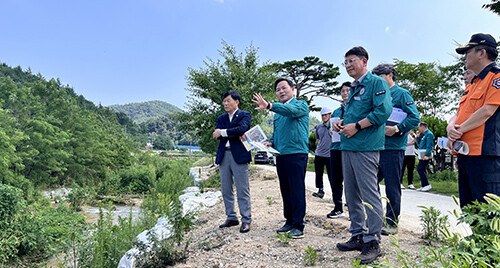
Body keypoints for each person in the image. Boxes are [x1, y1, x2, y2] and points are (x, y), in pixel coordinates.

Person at [332, 47, 392, 264]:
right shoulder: (354, 87)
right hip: (348, 146)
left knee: (369, 194)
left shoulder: (376, 82)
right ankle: (357, 234)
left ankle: (373, 241)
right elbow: (353, 114)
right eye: (345, 62)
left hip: (366, 146)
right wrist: (342, 123)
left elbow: (383, 111)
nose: (348, 65)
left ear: (364, 61)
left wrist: (356, 126)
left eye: (351, 61)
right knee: (351, 193)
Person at [447, 33, 500, 208]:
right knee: (469, 210)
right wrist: (450, 126)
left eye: (468, 52)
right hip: (465, 155)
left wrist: (459, 129)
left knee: (488, 212)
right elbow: (460, 112)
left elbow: (487, 110)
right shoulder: (472, 84)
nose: (465, 57)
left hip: (485, 156)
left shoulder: (496, 78)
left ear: (481, 53)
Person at [252, 78, 309, 239]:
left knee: (297, 190)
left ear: (292, 89)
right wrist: (270, 141)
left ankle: (298, 225)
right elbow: (277, 132)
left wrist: (269, 106)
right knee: (286, 189)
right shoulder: (278, 113)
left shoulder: (300, 105)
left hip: (297, 153)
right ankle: (289, 221)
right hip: (281, 155)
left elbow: (291, 111)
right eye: (278, 90)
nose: (281, 91)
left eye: (284, 88)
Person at [372, 63, 420, 235]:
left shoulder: (402, 94)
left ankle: (392, 222)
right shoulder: (377, 94)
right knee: (370, 183)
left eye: (380, 77)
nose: (377, 81)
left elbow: (415, 118)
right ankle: (374, 217)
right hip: (375, 145)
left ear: (390, 75)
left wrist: (398, 129)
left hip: (393, 148)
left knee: (392, 186)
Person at [213, 90, 252, 233]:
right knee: (226, 189)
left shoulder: (244, 115)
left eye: (228, 100)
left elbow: (242, 128)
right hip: (224, 156)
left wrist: (223, 132)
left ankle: (246, 219)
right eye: (224, 101)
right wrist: (234, 132)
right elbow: (215, 134)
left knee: (242, 189)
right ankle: (231, 217)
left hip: (239, 156)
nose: (225, 103)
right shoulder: (221, 117)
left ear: (237, 101)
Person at [327, 81, 351, 219]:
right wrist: (331, 131)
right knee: (336, 179)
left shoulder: (355, 109)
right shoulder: (336, 111)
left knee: (350, 180)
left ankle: (353, 209)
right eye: (343, 91)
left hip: (350, 148)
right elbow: (331, 128)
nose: (345, 93)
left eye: (348, 90)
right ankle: (338, 207)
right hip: (336, 147)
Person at [312, 107, 333, 199]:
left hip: (330, 155)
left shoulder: (333, 127)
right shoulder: (318, 127)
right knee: (318, 173)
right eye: (322, 115)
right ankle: (320, 190)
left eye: (325, 115)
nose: (324, 117)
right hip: (319, 154)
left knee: (332, 175)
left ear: (330, 115)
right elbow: (318, 139)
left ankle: (335, 193)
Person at [416, 122, 434, 192]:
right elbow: (420, 143)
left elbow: (429, 145)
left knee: (420, 169)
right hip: (421, 154)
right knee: (421, 169)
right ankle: (423, 185)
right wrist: (418, 136)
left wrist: (427, 155)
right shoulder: (424, 135)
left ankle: (426, 185)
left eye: (419, 127)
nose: (418, 129)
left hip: (425, 154)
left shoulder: (429, 134)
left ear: (422, 126)